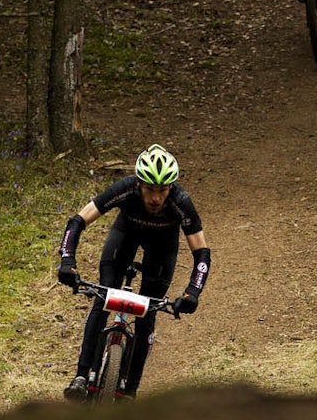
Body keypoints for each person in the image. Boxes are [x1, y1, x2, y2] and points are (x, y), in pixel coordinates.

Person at [55, 143, 210, 401]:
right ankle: (82, 376)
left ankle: (130, 390)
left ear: (171, 187)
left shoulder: (180, 201)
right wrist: (67, 260)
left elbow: (202, 252)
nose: (156, 198)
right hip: (125, 236)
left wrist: (193, 292)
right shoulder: (125, 189)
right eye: (150, 189)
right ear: (139, 184)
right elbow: (78, 221)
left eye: (162, 190)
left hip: (162, 248)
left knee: (147, 313)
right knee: (103, 299)